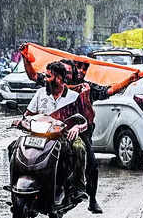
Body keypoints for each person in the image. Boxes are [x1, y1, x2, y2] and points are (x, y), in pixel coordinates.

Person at [59, 59, 139, 214]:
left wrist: (129, 79)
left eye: (85, 68)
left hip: (81, 132)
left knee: (92, 164)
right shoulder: (54, 84)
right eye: (78, 67)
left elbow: (108, 91)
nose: (81, 71)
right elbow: (34, 78)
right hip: (55, 131)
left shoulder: (87, 88)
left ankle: (92, 198)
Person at [9, 61, 89, 202]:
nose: (45, 79)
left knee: (79, 148)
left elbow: (84, 121)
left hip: (63, 136)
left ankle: (78, 187)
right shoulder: (40, 93)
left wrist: (77, 128)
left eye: (48, 76)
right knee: (14, 146)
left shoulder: (73, 97)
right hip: (38, 135)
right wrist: (21, 121)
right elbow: (28, 114)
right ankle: (14, 184)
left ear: (59, 78)